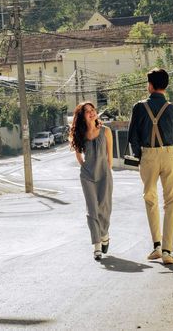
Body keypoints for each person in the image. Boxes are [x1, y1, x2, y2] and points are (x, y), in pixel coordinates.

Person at [128, 68, 173, 264]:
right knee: (172, 201)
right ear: (165, 85)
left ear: (150, 85)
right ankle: (168, 251)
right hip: (170, 154)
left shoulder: (139, 107)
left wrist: (139, 154)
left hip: (148, 155)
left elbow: (132, 136)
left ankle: (157, 247)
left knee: (150, 199)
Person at [70, 101, 113, 261]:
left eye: (92, 110)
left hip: (104, 174)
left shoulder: (106, 131)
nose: (91, 113)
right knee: (92, 210)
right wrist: (85, 167)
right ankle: (97, 245)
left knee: (104, 208)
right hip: (87, 176)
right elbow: (78, 155)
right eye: (87, 111)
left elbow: (109, 157)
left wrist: (107, 171)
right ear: (82, 116)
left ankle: (105, 234)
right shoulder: (80, 134)